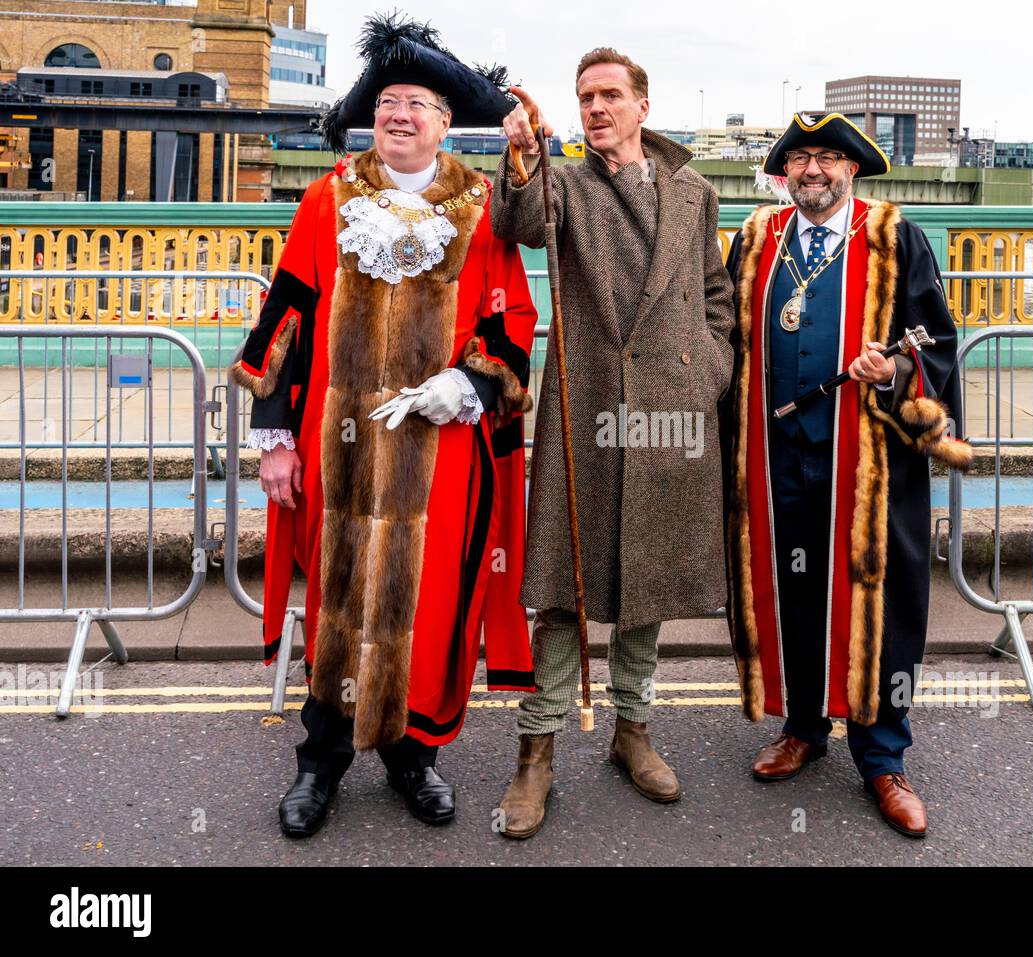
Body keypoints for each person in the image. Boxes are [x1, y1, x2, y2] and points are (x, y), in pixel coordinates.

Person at [231, 14, 537, 838]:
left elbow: (511, 325)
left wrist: (464, 383)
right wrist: (276, 436)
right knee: (339, 603)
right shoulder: (329, 198)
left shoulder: (480, 209)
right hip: (340, 454)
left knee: (428, 604)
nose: (400, 114)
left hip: (441, 456)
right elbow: (284, 317)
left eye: (420, 103)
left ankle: (413, 756)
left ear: (445, 123)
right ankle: (321, 760)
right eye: (389, 102)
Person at [489, 47, 735, 839]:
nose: (595, 108)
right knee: (565, 581)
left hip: (672, 405)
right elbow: (517, 221)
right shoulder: (564, 181)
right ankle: (537, 751)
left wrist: (712, 371)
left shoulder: (695, 192)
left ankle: (633, 729)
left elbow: (715, 293)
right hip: (586, 402)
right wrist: (523, 152)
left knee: (649, 576)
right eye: (584, 97)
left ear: (642, 106)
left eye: (608, 96)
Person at [723, 112, 972, 838]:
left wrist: (893, 368)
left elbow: (939, 347)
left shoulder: (895, 239)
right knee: (795, 589)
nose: (813, 170)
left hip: (870, 462)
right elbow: (722, 335)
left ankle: (884, 755)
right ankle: (804, 725)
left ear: (852, 169)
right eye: (800, 159)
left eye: (828, 158)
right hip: (777, 457)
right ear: (784, 173)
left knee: (879, 602)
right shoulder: (757, 240)